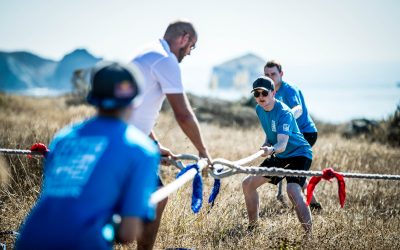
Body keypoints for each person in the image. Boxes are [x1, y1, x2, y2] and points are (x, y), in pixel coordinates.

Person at [15, 62, 160, 249]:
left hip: (29, 239)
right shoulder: (142, 150)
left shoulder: (64, 138)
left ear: (93, 96)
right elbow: (127, 234)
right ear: (135, 100)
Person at [128, 20, 212, 250]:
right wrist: (204, 153)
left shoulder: (146, 51)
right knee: (155, 198)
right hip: (126, 145)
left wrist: (154, 143)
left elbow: (137, 109)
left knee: (155, 197)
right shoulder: (166, 60)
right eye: (192, 47)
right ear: (184, 38)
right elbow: (183, 114)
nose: (190, 53)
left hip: (129, 139)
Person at [242, 76, 313, 235]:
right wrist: (267, 143)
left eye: (264, 93)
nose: (260, 97)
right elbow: (270, 133)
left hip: (299, 153)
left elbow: (281, 145)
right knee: (248, 184)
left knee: (293, 190)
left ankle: (309, 236)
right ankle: (253, 228)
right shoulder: (259, 109)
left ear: (273, 93)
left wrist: (270, 150)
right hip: (280, 154)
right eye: (257, 94)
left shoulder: (284, 113)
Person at [264, 60, 321, 210]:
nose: (270, 77)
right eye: (267, 75)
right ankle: (314, 204)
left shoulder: (288, 90)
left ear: (281, 74)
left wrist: (286, 119)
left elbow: (298, 109)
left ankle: (309, 204)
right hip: (290, 133)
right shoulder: (268, 93)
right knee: (294, 171)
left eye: (273, 74)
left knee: (293, 172)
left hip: (305, 132)